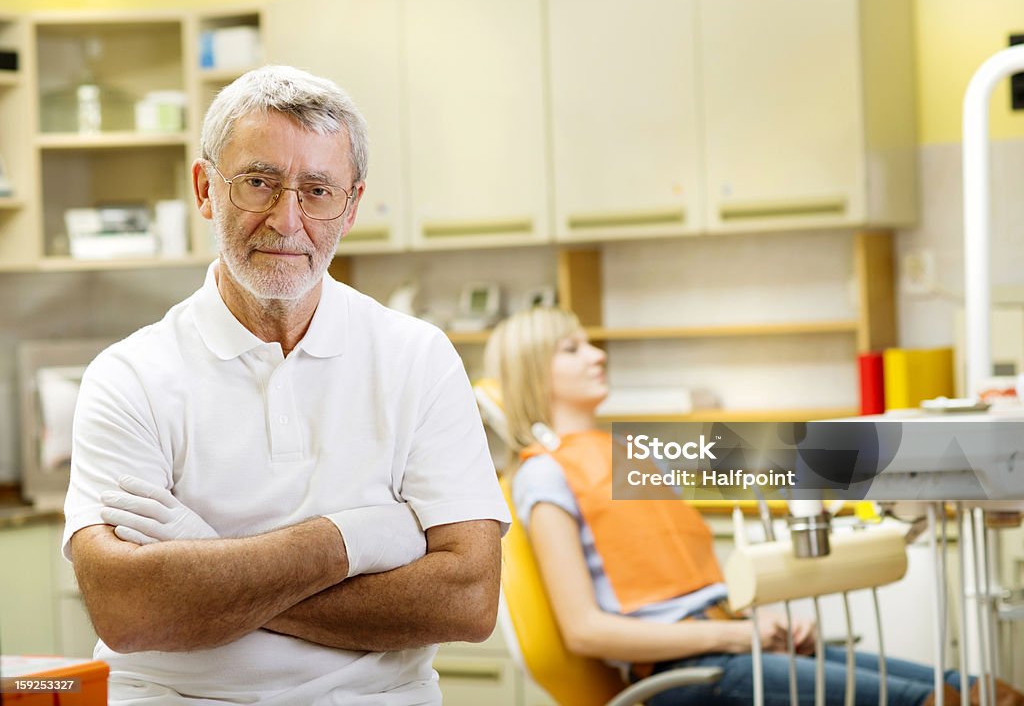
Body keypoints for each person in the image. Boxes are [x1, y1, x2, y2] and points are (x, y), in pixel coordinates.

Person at [63, 65, 511, 706]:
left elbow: (467, 600)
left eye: (318, 191)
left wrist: (207, 561)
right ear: (205, 189)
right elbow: (129, 610)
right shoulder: (129, 376)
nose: (287, 220)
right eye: (257, 184)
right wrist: (355, 539)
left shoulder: (418, 358)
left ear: (352, 205)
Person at [484, 307, 1024, 706]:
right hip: (686, 674)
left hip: (731, 645)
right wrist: (736, 635)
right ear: (534, 370)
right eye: (572, 349)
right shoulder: (543, 474)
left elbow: (689, 578)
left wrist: (759, 617)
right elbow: (586, 631)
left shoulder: (628, 452)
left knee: (970, 689)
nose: (598, 354)